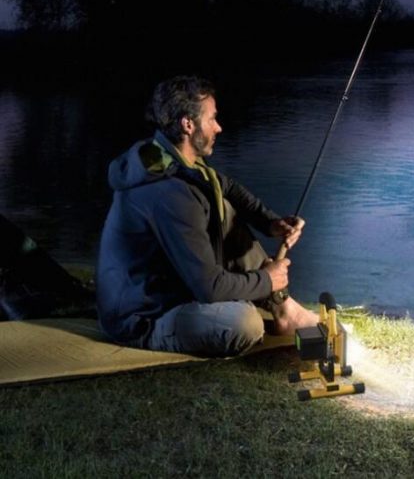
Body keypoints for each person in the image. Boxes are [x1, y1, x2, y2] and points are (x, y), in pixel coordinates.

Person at [96, 75, 318, 356]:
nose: (219, 127)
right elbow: (209, 287)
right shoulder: (168, 193)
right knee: (244, 324)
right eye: (212, 119)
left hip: (173, 288)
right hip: (143, 317)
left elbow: (228, 188)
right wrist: (266, 280)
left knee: (221, 204)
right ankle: (252, 306)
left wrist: (270, 222)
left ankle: (285, 310)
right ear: (188, 125)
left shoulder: (164, 157)